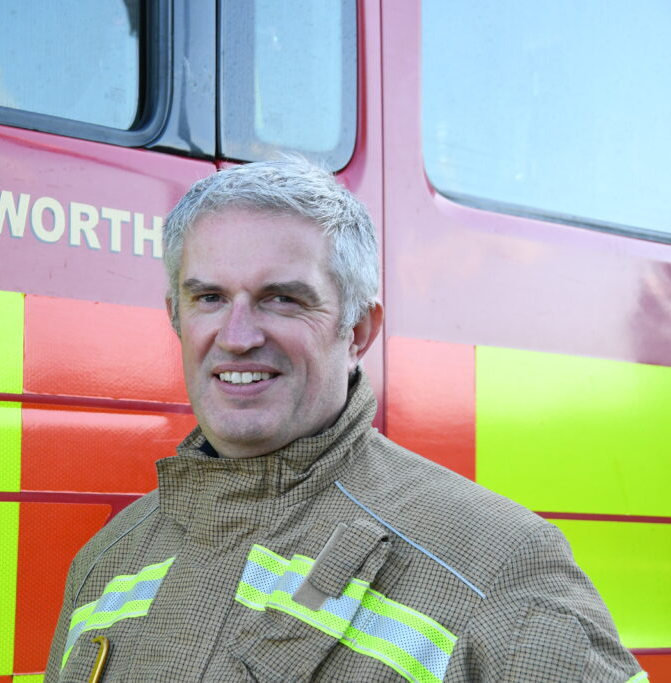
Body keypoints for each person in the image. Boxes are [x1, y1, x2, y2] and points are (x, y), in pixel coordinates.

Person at [44, 157, 646, 682]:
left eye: (283, 298)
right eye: (209, 298)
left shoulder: (498, 564)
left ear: (358, 330)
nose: (237, 336)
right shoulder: (107, 562)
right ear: (176, 316)